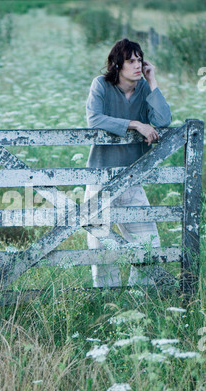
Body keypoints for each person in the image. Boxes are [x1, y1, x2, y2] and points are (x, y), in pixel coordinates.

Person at [84, 38, 172, 288]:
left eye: (139, 60)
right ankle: (107, 299)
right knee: (101, 247)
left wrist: (152, 81)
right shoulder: (100, 85)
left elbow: (163, 120)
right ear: (117, 65)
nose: (137, 65)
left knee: (148, 242)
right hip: (100, 179)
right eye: (130, 61)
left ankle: (138, 296)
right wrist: (135, 124)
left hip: (132, 180)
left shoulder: (145, 89)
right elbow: (94, 119)